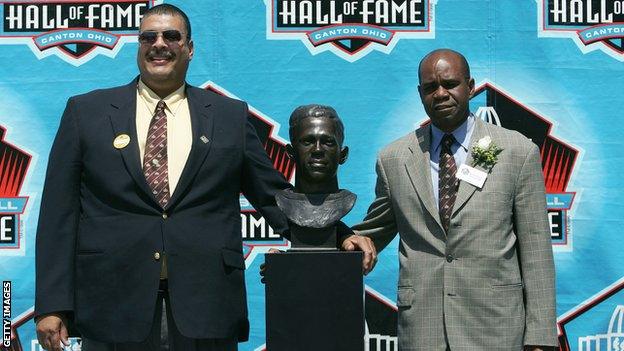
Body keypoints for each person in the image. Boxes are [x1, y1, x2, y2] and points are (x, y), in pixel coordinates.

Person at [33, 5, 378, 351]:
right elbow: (58, 216)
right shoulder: (86, 113)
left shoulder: (229, 116)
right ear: (138, 46)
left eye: (171, 36)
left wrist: (340, 236)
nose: (159, 44)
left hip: (207, 305)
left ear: (190, 48)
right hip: (113, 306)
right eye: (148, 37)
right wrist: (51, 305)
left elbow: (272, 195)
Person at [345, 49, 557, 350]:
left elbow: (537, 253)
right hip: (423, 331)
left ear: (470, 87)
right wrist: (341, 241)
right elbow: (372, 232)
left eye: (450, 84)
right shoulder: (393, 159)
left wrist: (540, 337)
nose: (441, 93)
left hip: (495, 330)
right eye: (431, 87)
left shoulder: (516, 152)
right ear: (421, 94)